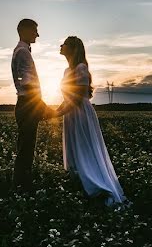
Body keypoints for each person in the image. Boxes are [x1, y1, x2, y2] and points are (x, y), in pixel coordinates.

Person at [54, 36, 126, 206]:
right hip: (70, 114)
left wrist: (57, 113)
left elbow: (77, 98)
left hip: (80, 114)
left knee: (85, 149)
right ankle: (80, 184)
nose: (60, 45)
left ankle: (96, 187)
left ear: (72, 48)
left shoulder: (81, 68)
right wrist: (55, 112)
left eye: (64, 44)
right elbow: (67, 98)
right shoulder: (67, 71)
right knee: (75, 148)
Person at [11, 18, 49, 191]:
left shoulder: (20, 50)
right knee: (26, 149)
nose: (37, 34)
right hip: (28, 105)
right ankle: (22, 186)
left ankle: (21, 183)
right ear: (24, 31)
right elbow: (27, 83)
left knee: (25, 147)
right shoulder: (23, 52)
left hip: (25, 104)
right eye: (35, 30)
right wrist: (40, 105)